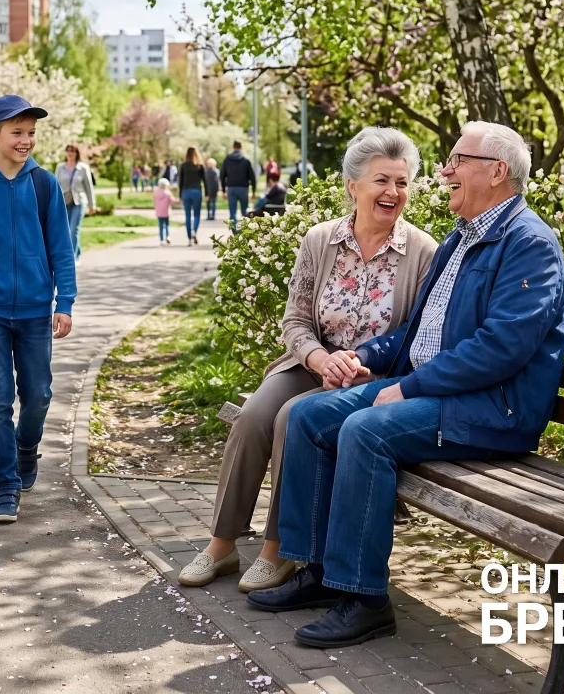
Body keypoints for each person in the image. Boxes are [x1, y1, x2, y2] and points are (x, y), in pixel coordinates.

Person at [251, 122, 564, 651]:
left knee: (365, 430)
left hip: (492, 409)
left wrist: (410, 386)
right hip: (441, 392)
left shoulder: (529, 244)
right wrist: (365, 356)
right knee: (309, 416)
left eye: (457, 160)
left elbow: (501, 348)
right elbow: (417, 331)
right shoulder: (463, 237)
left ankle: (365, 600)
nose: (444, 171)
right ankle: (320, 570)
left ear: (497, 172)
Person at [178, 128, 436, 591]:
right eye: (381, 180)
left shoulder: (423, 252)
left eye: (402, 182)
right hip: (310, 364)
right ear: (353, 186)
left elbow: (414, 335)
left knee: (290, 420)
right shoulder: (320, 240)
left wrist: (356, 365)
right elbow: (295, 320)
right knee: (254, 416)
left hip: (370, 378)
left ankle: (278, 549)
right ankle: (221, 544)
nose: (393, 192)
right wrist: (319, 359)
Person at [0, 95, 78, 525]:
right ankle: (5, 486)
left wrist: (65, 302)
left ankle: (27, 446)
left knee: (39, 394)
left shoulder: (44, 185)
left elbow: (61, 248)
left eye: (31, 133)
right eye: (17, 132)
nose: (26, 140)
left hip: (36, 311)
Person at [56, 144, 96, 261]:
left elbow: (89, 187)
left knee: (74, 229)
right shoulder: (60, 167)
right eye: (68, 151)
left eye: (72, 151)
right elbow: (56, 186)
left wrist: (92, 205)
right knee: (67, 230)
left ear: (77, 153)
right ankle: (77, 253)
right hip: (65, 202)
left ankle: (71, 258)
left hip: (79, 201)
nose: (70, 153)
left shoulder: (83, 167)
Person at [220, 140, 256, 233]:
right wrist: (253, 191)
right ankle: (244, 231)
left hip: (231, 188)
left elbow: (222, 175)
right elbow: (252, 177)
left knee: (233, 212)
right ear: (241, 147)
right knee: (244, 211)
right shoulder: (246, 160)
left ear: (233, 147)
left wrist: (223, 190)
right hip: (243, 188)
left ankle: (235, 233)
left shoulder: (227, 159)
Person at [177, 146, 206, 245]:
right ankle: (195, 231)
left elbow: (180, 182)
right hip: (197, 191)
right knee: (197, 214)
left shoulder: (183, 166)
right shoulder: (200, 166)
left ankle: (189, 238)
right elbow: (205, 181)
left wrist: (180, 195)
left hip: (186, 191)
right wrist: (207, 194)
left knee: (187, 215)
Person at [153, 178, 179, 245]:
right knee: (167, 225)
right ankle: (167, 236)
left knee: (161, 226)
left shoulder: (156, 193)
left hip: (159, 212)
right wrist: (179, 201)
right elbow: (172, 201)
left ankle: (161, 240)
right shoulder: (168, 193)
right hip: (166, 212)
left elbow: (154, 202)